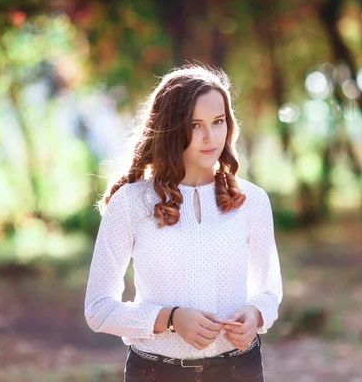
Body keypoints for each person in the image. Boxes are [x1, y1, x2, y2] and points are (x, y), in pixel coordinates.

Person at [84, 65, 283, 382]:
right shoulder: (131, 203)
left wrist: (256, 313)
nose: (210, 137)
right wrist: (170, 319)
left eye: (218, 122)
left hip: (239, 370)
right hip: (156, 372)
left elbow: (269, 289)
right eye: (195, 125)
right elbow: (98, 308)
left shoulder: (253, 201)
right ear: (172, 128)